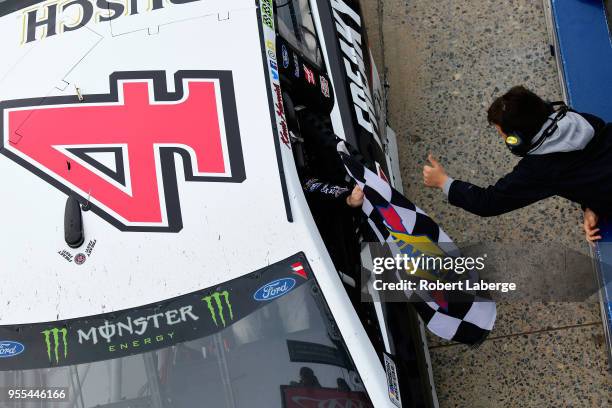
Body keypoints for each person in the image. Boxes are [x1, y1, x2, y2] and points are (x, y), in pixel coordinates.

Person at [422, 86, 610, 242]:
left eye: (503, 136)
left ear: (517, 140)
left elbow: (488, 202)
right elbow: (592, 167)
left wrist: (443, 182)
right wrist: (592, 204)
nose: (503, 139)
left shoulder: (539, 169)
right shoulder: (582, 120)